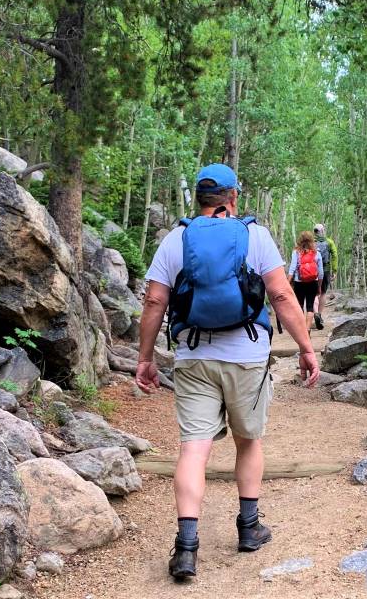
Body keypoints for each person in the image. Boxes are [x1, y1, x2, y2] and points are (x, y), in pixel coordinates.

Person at [135, 163, 320, 582]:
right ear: (233, 197)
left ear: (198, 199)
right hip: (247, 356)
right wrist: (306, 348)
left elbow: (153, 303)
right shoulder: (254, 235)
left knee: (194, 450)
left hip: (193, 355)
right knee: (248, 440)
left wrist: (145, 358)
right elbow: (281, 294)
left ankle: (185, 550)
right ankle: (249, 528)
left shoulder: (176, 238)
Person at [287, 230, 323, 331]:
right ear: (312, 240)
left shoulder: (296, 252)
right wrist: (319, 286)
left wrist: (287, 283)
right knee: (310, 306)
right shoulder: (317, 253)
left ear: (300, 240)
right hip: (313, 282)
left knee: (300, 306)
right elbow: (321, 273)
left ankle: (302, 329)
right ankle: (307, 329)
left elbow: (292, 269)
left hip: (299, 283)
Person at [312, 223, 338, 329]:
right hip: (325, 269)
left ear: (314, 231)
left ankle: (315, 313)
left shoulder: (311, 242)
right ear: (323, 231)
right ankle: (320, 314)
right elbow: (335, 256)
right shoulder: (329, 242)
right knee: (322, 293)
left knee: (314, 293)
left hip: (312, 271)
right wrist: (335, 270)